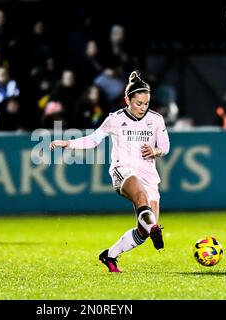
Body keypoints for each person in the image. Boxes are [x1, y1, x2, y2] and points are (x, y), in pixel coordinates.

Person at [50, 71, 170, 272]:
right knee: (140, 197)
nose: (143, 108)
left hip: (149, 175)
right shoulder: (115, 119)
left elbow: (165, 146)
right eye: (138, 103)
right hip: (123, 170)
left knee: (144, 231)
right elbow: (92, 140)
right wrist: (67, 143)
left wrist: (155, 150)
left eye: (146, 103)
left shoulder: (156, 120)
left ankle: (110, 255)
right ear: (127, 100)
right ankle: (154, 228)